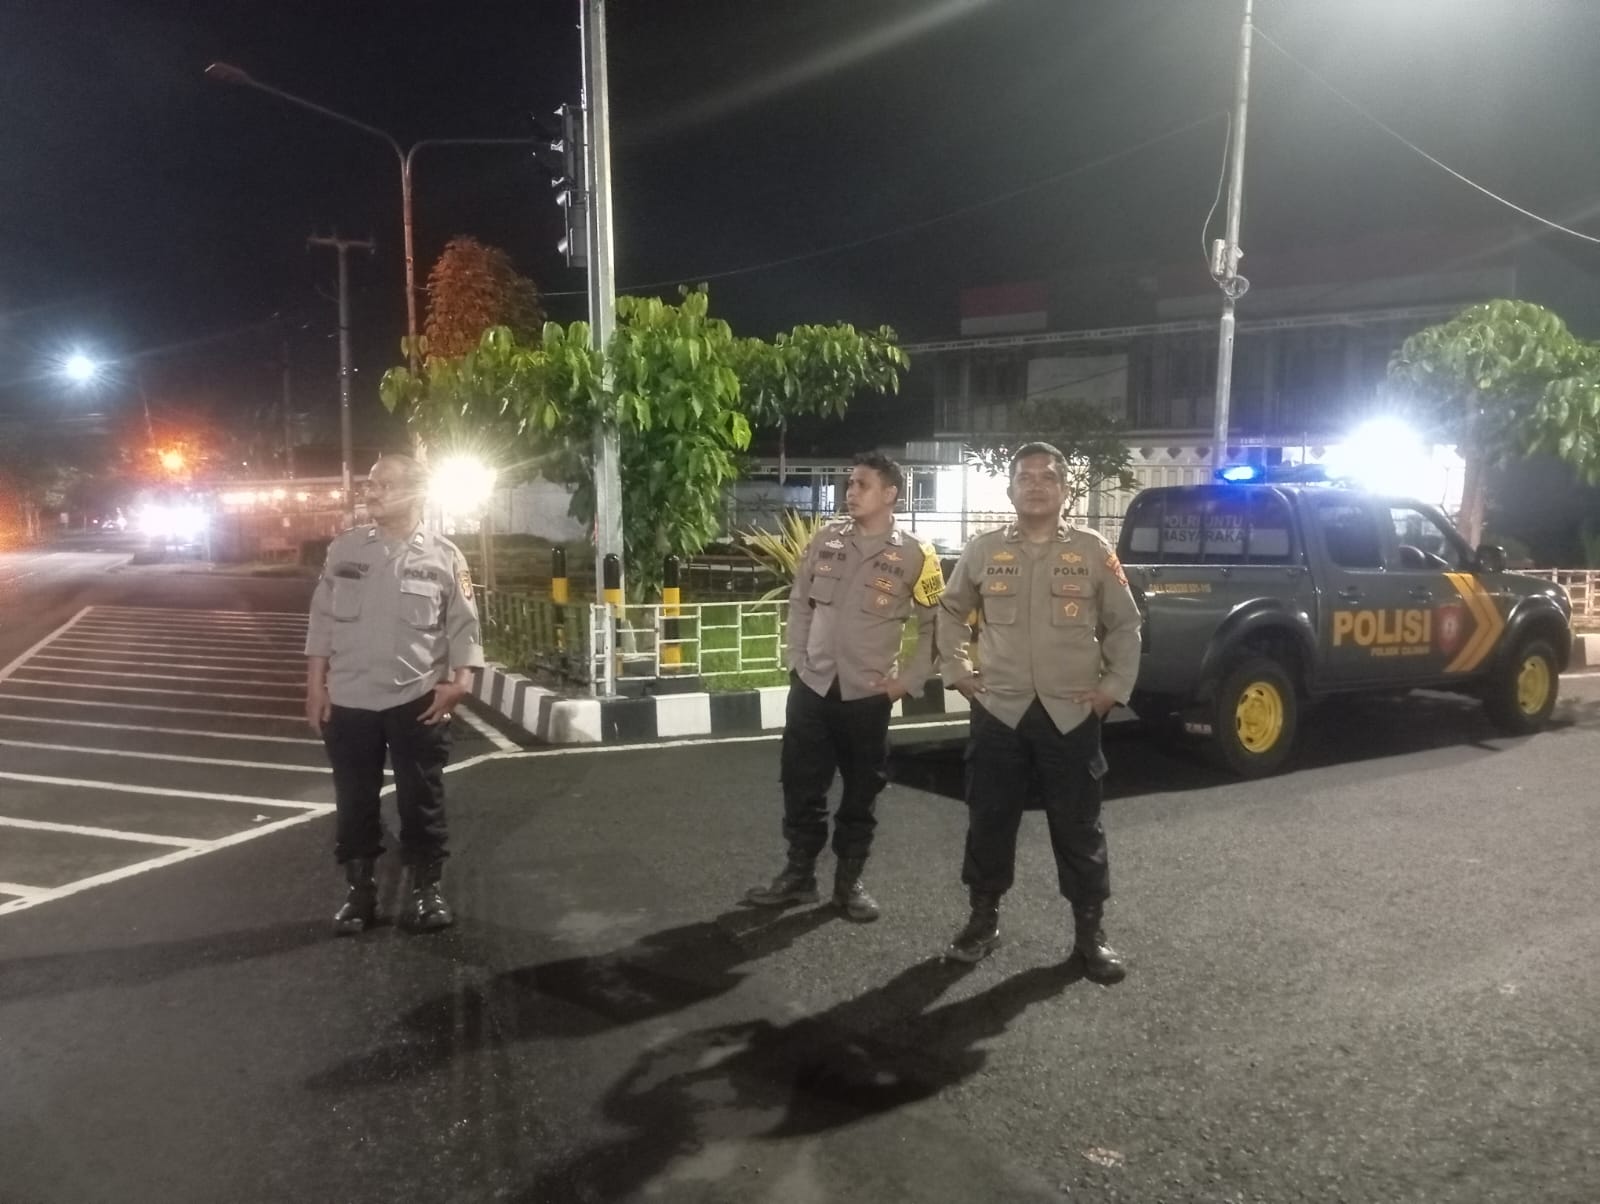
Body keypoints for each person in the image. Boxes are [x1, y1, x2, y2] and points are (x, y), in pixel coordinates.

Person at [935, 442, 1141, 981]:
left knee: (1078, 827)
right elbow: (951, 611)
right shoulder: (982, 550)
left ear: (1065, 490)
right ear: (1010, 490)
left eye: (1047, 477)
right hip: (999, 710)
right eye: (1024, 477)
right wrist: (957, 669)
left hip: (1071, 713)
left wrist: (1112, 687)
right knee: (989, 821)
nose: (1035, 485)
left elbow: (1124, 624)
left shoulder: (1093, 550)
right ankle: (982, 921)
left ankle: (1090, 934)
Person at [744, 452, 945, 922]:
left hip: (867, 696)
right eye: (849, 484)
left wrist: (906, 682)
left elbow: (937, 625)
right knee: (801, 785)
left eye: (862, 485)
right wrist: (797, 660)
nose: (850, 492)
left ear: (890, 494)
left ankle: (848, 883)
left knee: (861, 793)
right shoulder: (826, 539)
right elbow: (801, 602)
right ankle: (798, 876)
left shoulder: (918, 555)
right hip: (813, 688)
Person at [304, 454, 484, 935]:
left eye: (384, 484)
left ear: (415, 492)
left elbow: (464, 625)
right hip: (350, 699)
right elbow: (321, 620)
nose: (372, 492)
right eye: (371, 483)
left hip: (417, 699)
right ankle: (359, 893)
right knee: (354, 799)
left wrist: (461, 682)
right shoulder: (345, 549)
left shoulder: (444, 556)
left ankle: (427, 890)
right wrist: (315, 686)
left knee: (421, 798)